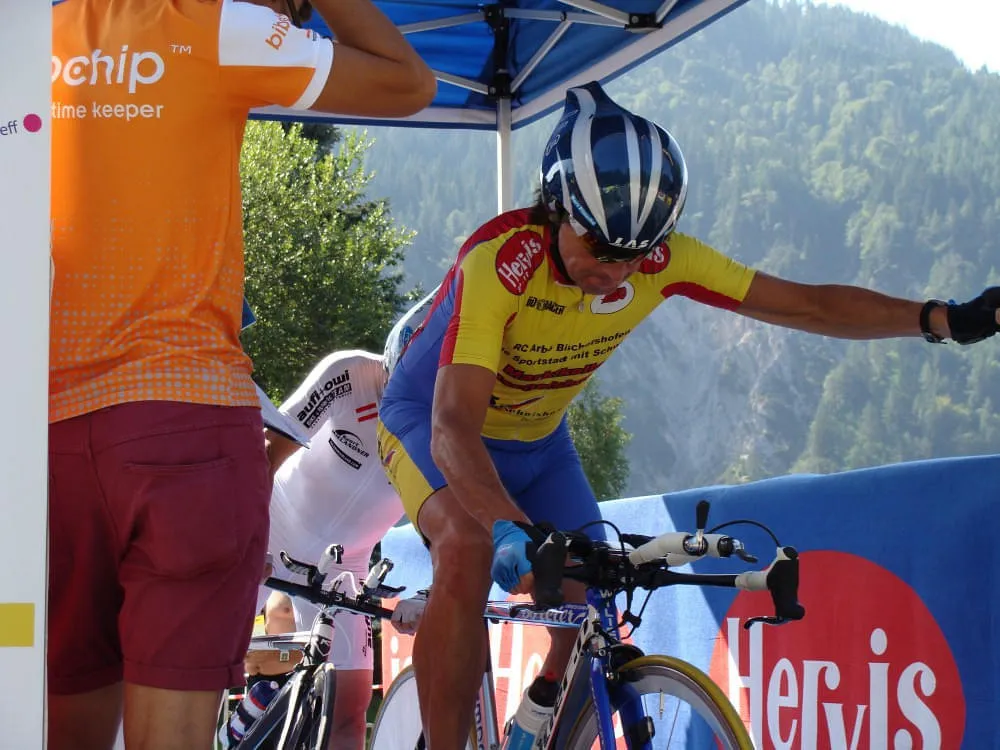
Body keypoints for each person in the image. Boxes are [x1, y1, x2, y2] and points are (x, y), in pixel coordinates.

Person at [375, 80, 1000, 749]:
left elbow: (808, 304)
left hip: (538, 441)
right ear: (555, 210)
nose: (616, 272)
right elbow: (452, 428)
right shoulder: (502, 261)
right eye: (599, 249)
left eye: (633, 256)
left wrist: (939, 318)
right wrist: (506, 525)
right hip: (430, 423)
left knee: (597, 592)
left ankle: (538, 714)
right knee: (467, 547)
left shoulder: (664, 262)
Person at [48, 0, 435, 748]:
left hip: (50, 430)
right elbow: (408, 82)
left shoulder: (33, 38)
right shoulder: (216, 25)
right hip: (184, 421)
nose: (289, 18)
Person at [234, 294, 437, 750]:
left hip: (345, 567)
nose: (400, 406)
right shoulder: (349, 373)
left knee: (349, 706)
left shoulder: (442, 422)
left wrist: (428, 595)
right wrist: (247, 536)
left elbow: (453, 527)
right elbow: (268, 452)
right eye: (394, 388)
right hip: (273, 523)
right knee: (205, 663)